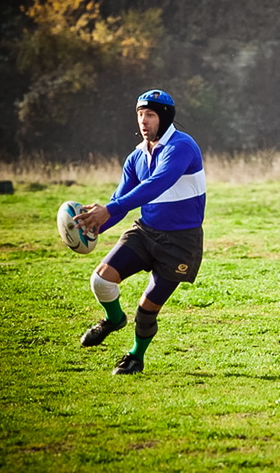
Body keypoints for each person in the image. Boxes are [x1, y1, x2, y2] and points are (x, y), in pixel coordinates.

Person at [74, 89, 206, 375]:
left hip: (181, 242)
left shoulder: (181, 146)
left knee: (147, 308)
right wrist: (92, 225)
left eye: (150, 115)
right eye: (140, 115)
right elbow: (120, 203)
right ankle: (113, 319)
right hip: (145, 232)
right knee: (101, 281)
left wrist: (108, 208)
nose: (143, 121)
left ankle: (135, 356)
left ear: (165, 118)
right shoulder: (135, 157)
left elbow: (156, 185)